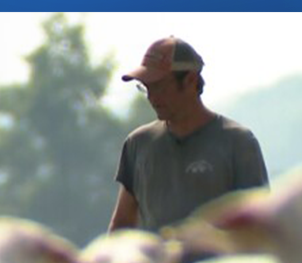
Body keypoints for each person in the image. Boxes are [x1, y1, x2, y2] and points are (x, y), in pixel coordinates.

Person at [108, 36, 269, 234]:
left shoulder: (238, 143)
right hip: (156, 256)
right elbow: (121, 226)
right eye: (146, 88)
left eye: (159, 87)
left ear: (190, 80)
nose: (151, 97)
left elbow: (259, 226)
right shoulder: (138, 144)